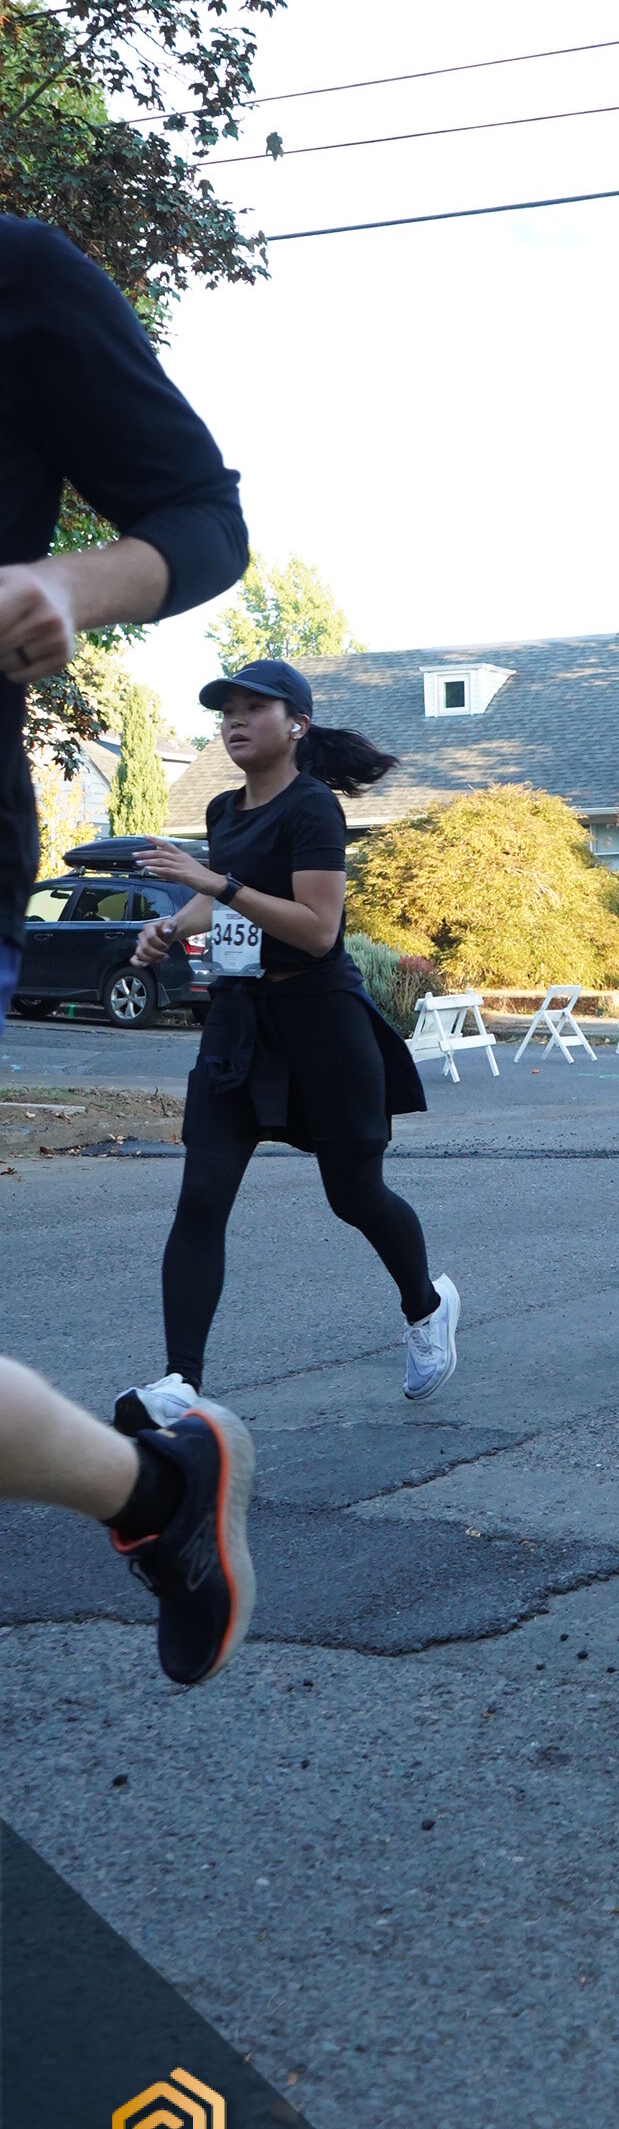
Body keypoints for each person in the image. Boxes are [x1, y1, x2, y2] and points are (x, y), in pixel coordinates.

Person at [0, 213, 254, 1681]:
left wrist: (68, 589)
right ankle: (156, 1490)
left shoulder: (17, 276)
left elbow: (203, 516)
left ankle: (155, 1486)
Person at [121, 657, 459, 1421]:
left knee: (355, 1195)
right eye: (226, 712)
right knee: (201, 1196)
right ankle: (180, 1384)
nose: (234, 722)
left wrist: (215, 884)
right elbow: (228, 907)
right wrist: (170, 924)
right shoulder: (223, 810)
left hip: (320, 1023)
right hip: (240, 1023)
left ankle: (427, 1305)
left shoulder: (312, 808)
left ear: (296, 724)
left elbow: (316, 930)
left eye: (253, 708)